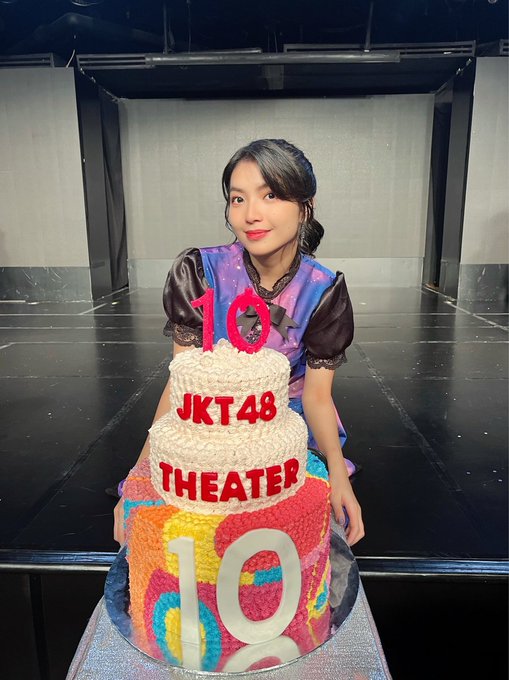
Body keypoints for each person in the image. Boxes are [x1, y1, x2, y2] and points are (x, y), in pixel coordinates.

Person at [113, 139, 364, 547]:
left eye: (270, 195)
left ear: (306, 207)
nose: (251, 214)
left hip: (282, 422)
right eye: (238, 198)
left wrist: (338, 474)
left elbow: (318, 396)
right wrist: (142, 472)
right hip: (209, 420)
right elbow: (183, 382)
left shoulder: (323, 290)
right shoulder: (199, 272)